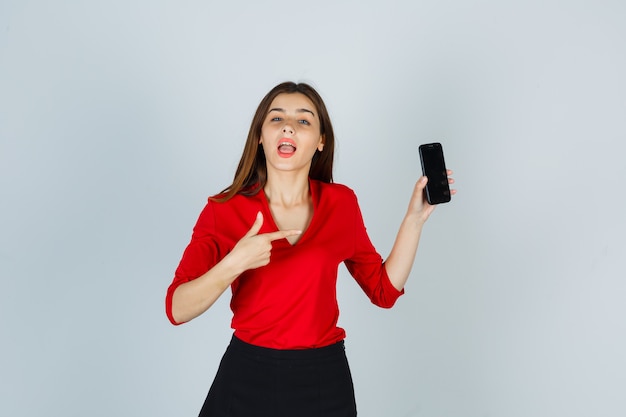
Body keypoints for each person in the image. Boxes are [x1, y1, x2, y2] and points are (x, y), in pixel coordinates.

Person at [165, 81, 455, 417]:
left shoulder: (341, 203)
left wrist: (414, 221)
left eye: (303, 120)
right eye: (276, 118)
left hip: (323, 381)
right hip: (247, 375)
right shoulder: (224, 208)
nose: (288, 125)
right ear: (260, 136)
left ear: (321, 142)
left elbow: (383, 291)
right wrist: (235, 263)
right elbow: (177, 308)